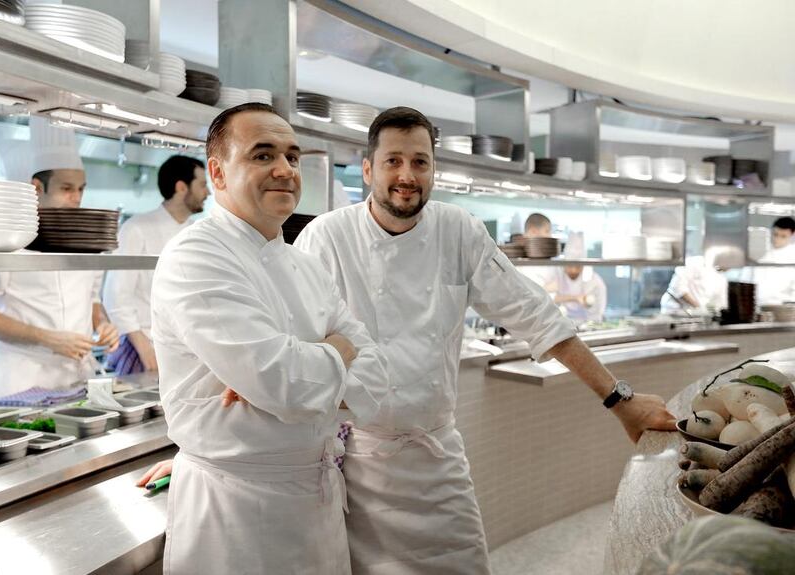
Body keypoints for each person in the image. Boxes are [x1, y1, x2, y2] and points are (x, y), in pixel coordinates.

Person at [142, 107, 676, 573]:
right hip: (352, 462)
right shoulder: (322, 236)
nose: (407, 175)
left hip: (430, 457)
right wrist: (208, 441)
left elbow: (535, 315)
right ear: (369, 169)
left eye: (420, 162)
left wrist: (618, 400)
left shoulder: (457, 230)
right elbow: (278, 373)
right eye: (393, 161)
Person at [150, 103, 388, 574]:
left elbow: (376, 380)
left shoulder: (306, 265)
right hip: (235, 511)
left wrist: (300, 374)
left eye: (293, 157)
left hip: (314, 504)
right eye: (262, 156)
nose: (284, 170)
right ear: (217, 173)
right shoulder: (196, 255)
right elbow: (286, 384)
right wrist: (335, 352)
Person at [0, 118, 119, 396]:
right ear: (37, 188)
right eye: (66, 189)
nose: (77, 198)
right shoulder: (9, 242)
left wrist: (103, 326)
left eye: (81, 188)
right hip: (22, 380)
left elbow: (92, 301)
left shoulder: (89, 242)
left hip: (78, 376)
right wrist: (47, 339)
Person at [102, 155, 209, 374]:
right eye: (202, 185)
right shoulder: (136, 228)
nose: (208, 193)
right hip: (145, 346)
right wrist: (144, 348)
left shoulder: (199, 232)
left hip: (190, 347)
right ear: (181, 187)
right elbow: (116, 295)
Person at [660, 254, 728, 314]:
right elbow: (678, 288)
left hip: (696, 315)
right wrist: (699, 309)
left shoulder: (722, 279)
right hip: (675, 311)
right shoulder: (696, 262)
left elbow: (722, 304)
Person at [754, 216, 795, 305]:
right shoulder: (765, 258)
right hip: (761, 307)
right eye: (775, 234)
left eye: (783, 236)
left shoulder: (792, 259)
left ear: (792, 235)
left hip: (784, 310)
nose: (777, 239)